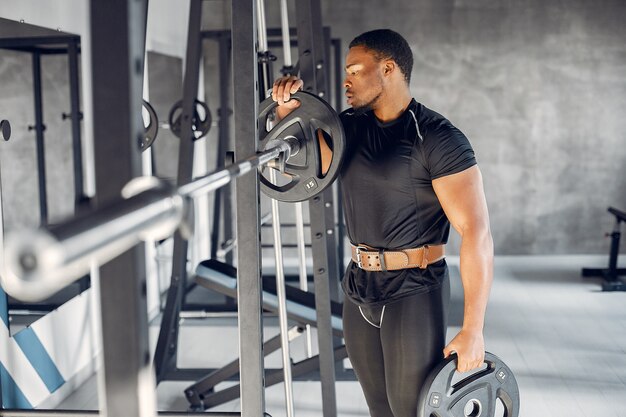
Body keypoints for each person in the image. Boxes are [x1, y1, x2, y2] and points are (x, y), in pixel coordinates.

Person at [272, 29, 493, 417]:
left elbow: (477, 232)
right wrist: (288, 109)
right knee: (379, 409)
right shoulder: (349, 127)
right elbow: (311, 166)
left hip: (414, 291)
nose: (346, 80)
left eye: (355, 70)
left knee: (409, 409)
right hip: (358, 286)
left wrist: (472, 328)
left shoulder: (438, 138)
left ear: (388, 69)